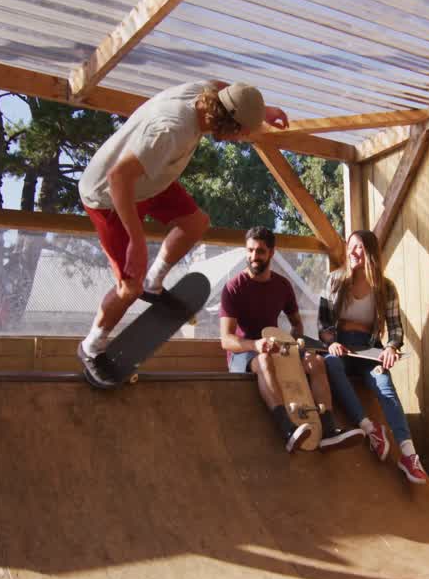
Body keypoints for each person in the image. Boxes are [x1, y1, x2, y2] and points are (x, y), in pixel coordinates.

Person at [74, 80, 288, 386]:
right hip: (110, 196)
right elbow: (118, 178)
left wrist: (261, 110)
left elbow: (225, 87)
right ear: (227, 123)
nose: (241, 139)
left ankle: (154, 283)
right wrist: (136, 241)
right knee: (128, 287)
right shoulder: (172, 131)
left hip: (151, 180)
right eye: (241, 132)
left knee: (196, 223)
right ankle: (91, 346)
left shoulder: (207, 94)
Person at [220, 227, 365, 453]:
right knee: (265, 360)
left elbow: (296, 324)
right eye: (249, 250)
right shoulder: (233, 288)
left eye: (260, 251)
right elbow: (226, 340)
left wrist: (292, 343)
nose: (253, 257)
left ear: (271, 253)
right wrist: (255, 345)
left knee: (316, 361)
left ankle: (328, 430)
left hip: (276, 347)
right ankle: (288, 430)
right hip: (243, 353)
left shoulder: (282, 286)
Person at [319, 230, 427, 484]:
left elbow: (395, 327)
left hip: (369, 349)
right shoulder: (334, 280)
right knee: (330, 363)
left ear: (370, 254)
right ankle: (370, 429)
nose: (353, 253)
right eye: (351, 247)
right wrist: (332, 342)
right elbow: (324, 322)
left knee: (385, 386)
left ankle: (409, 456)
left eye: (360, 249)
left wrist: (391, 348)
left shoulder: (385, 287)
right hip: (342, 347)